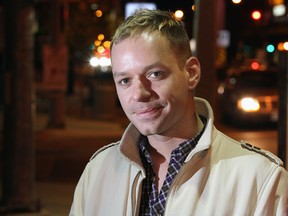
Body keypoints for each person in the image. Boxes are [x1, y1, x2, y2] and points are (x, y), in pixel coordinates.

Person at [69, 9, 288, 216]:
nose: (139, 94)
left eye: (155, 74)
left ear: (191, 73)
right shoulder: (97, 171)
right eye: (125, 80)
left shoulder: (261, 179)